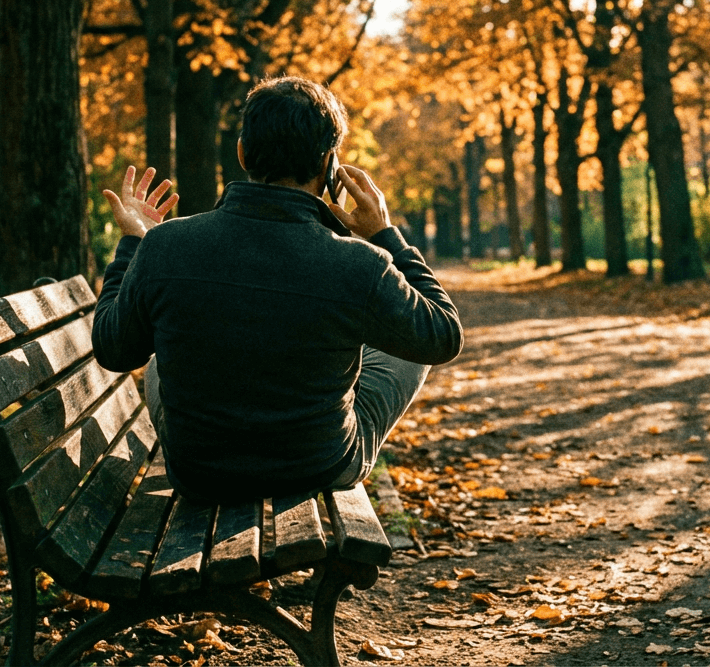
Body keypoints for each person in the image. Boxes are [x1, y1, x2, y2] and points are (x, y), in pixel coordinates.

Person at [91, 76, 463, 504]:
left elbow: (114, 350)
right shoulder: (362, 264)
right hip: (318, 466)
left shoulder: (164, 246)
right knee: (401, 346)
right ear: (329, 164)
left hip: (199, 472)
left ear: (242, 152)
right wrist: (385, 235)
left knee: (161, 358)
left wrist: (134, 244)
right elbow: (444, 336)